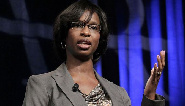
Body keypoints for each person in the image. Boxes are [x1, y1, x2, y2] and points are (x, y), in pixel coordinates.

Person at [22, 0, 165, 106]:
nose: (85, 32)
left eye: (93, 27)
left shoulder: (119, 94)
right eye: (77, 25)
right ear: (64, 35)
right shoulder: (42, 85)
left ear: (99, 38)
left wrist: (149, 95)